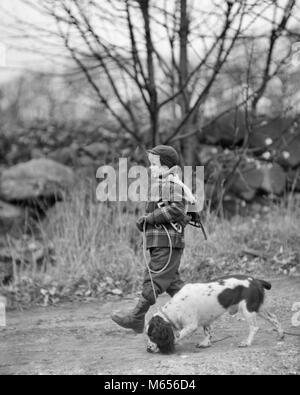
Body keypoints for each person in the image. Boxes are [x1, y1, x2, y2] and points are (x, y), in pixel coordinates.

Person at [111, 145, 196, 333]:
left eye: (154, 164)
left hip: (166, 243)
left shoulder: (171, 184)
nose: (150, 168)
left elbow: (176, 209)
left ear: (166, 167)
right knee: (173, 284)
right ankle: (199, 314)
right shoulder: (163, 184)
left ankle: (136, 317)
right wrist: (147, 222)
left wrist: (149, 219)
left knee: (154, 278)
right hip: (163, 242)